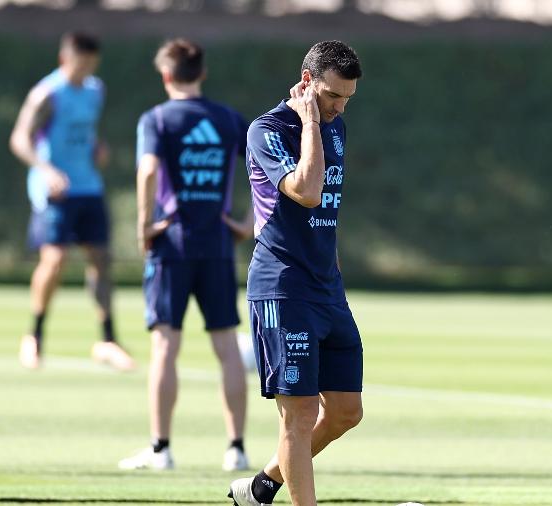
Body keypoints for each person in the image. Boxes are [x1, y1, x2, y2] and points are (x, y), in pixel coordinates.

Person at [228, 40, 363, 506]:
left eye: (346, 98)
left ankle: (263, 485)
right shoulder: (268, 129)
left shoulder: (337, 125)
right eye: (331, 96)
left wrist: (335, 270)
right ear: (307, 83)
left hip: (327, 287)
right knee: (299, 416)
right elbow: (305, 191)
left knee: (346, 412)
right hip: (283, 287)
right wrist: (309, 121)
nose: (338, 107)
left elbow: (327, 212)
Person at [118, 38, 253, 472]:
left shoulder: (157, 119)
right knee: (227, 347)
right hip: (216, 242)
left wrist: (143, 225)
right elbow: (265, 167)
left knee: (164, 346)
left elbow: (147, 170)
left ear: (166, 75)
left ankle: (161, 448)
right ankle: (236, 448)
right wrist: (249, 222)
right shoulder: (229, 119)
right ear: (202, 73)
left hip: (172, 243)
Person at [9, 32, 134, 371]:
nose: (87, 71)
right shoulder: (47, 94)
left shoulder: (96, 90)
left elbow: (84, 131)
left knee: (102, 259)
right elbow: (20, 139)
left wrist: (97, 148)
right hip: (54, 191)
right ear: (66, 59)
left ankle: (107, 339)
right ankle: (33, 335)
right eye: (82, 64)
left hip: (88, 187)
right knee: (55, 259)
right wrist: (46, 170)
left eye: (92, 65)